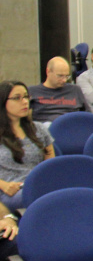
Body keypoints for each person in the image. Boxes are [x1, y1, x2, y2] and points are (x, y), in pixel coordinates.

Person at [0, 81, 55, 210]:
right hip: (10, 190)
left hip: (39, 185)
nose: (24, 102)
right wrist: (3, 185)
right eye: (17, 98)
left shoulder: (38, 129)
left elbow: (50, 162)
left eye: (26, 97)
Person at [29, 56, 89, 126]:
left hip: (70, 126)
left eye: (67, 76)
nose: (64, 80)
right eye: (60, 76)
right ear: (48, 72)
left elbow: (87, 114)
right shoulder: (33, 91)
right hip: (45, 127)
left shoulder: (75, 90)